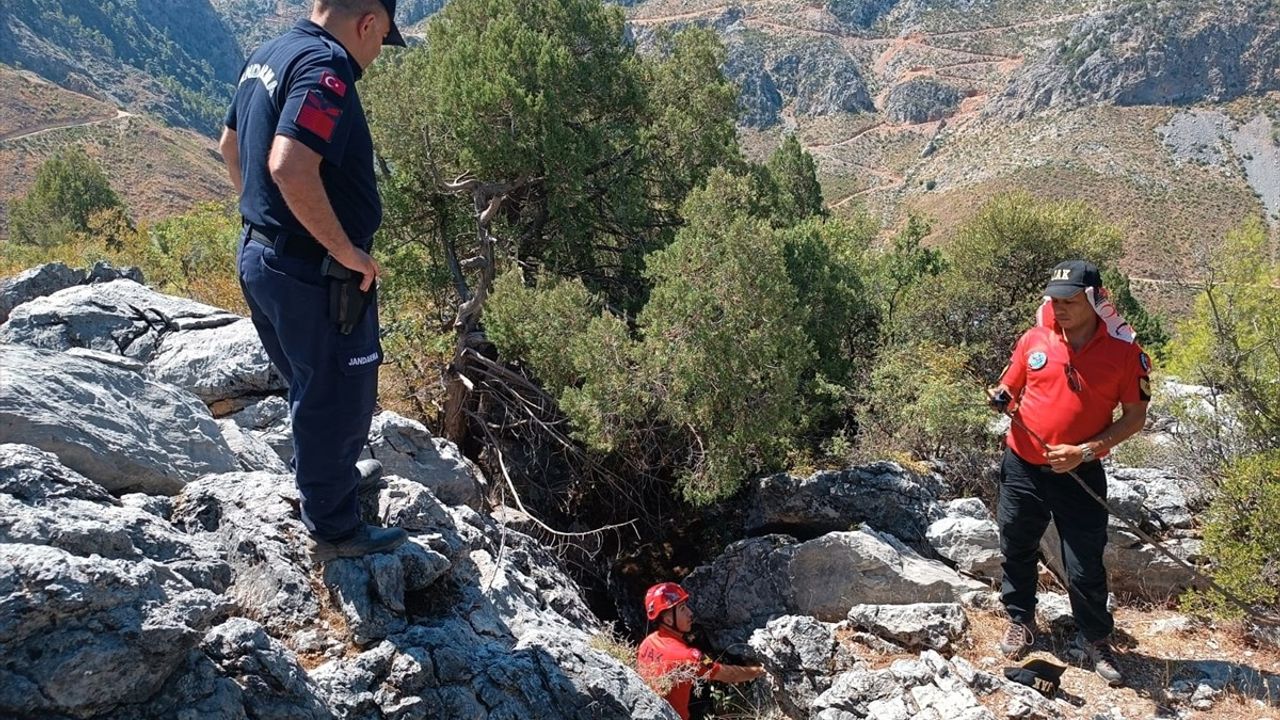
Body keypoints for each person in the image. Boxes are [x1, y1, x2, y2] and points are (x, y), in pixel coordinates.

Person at [219, 0, 408, 561]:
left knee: (308, 378)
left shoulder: (271, 52)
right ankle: (334, 528)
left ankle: (328, 478)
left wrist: (266, 220)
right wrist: (344, 250)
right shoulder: (326, 69)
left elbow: (231, 147)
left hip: (263, 257)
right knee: (338, 394)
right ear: (368, 22)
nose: (376, 55)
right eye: (381, 40)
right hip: (313, 272)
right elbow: (288, 164)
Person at [988, 259, 1151, 686]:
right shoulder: (1034, 340)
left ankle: (1096, 638)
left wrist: (1086, 450)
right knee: (1017, 545)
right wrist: (1002, 396)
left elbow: (1135, 416)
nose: (1058, 307)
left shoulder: (1124, 353)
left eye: (1070, 300)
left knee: (1083, 563)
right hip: (1022, 465)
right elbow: (1011, 385)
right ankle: (1020, 619)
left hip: (1081, 474)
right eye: (1054, 299)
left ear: (1095, 300)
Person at [636, 583, 765, 719]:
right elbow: (729, 674)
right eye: (682, 609)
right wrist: (760, 671)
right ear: (668, 620)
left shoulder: (646, 643)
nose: (690, 613)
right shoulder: (690, 656)